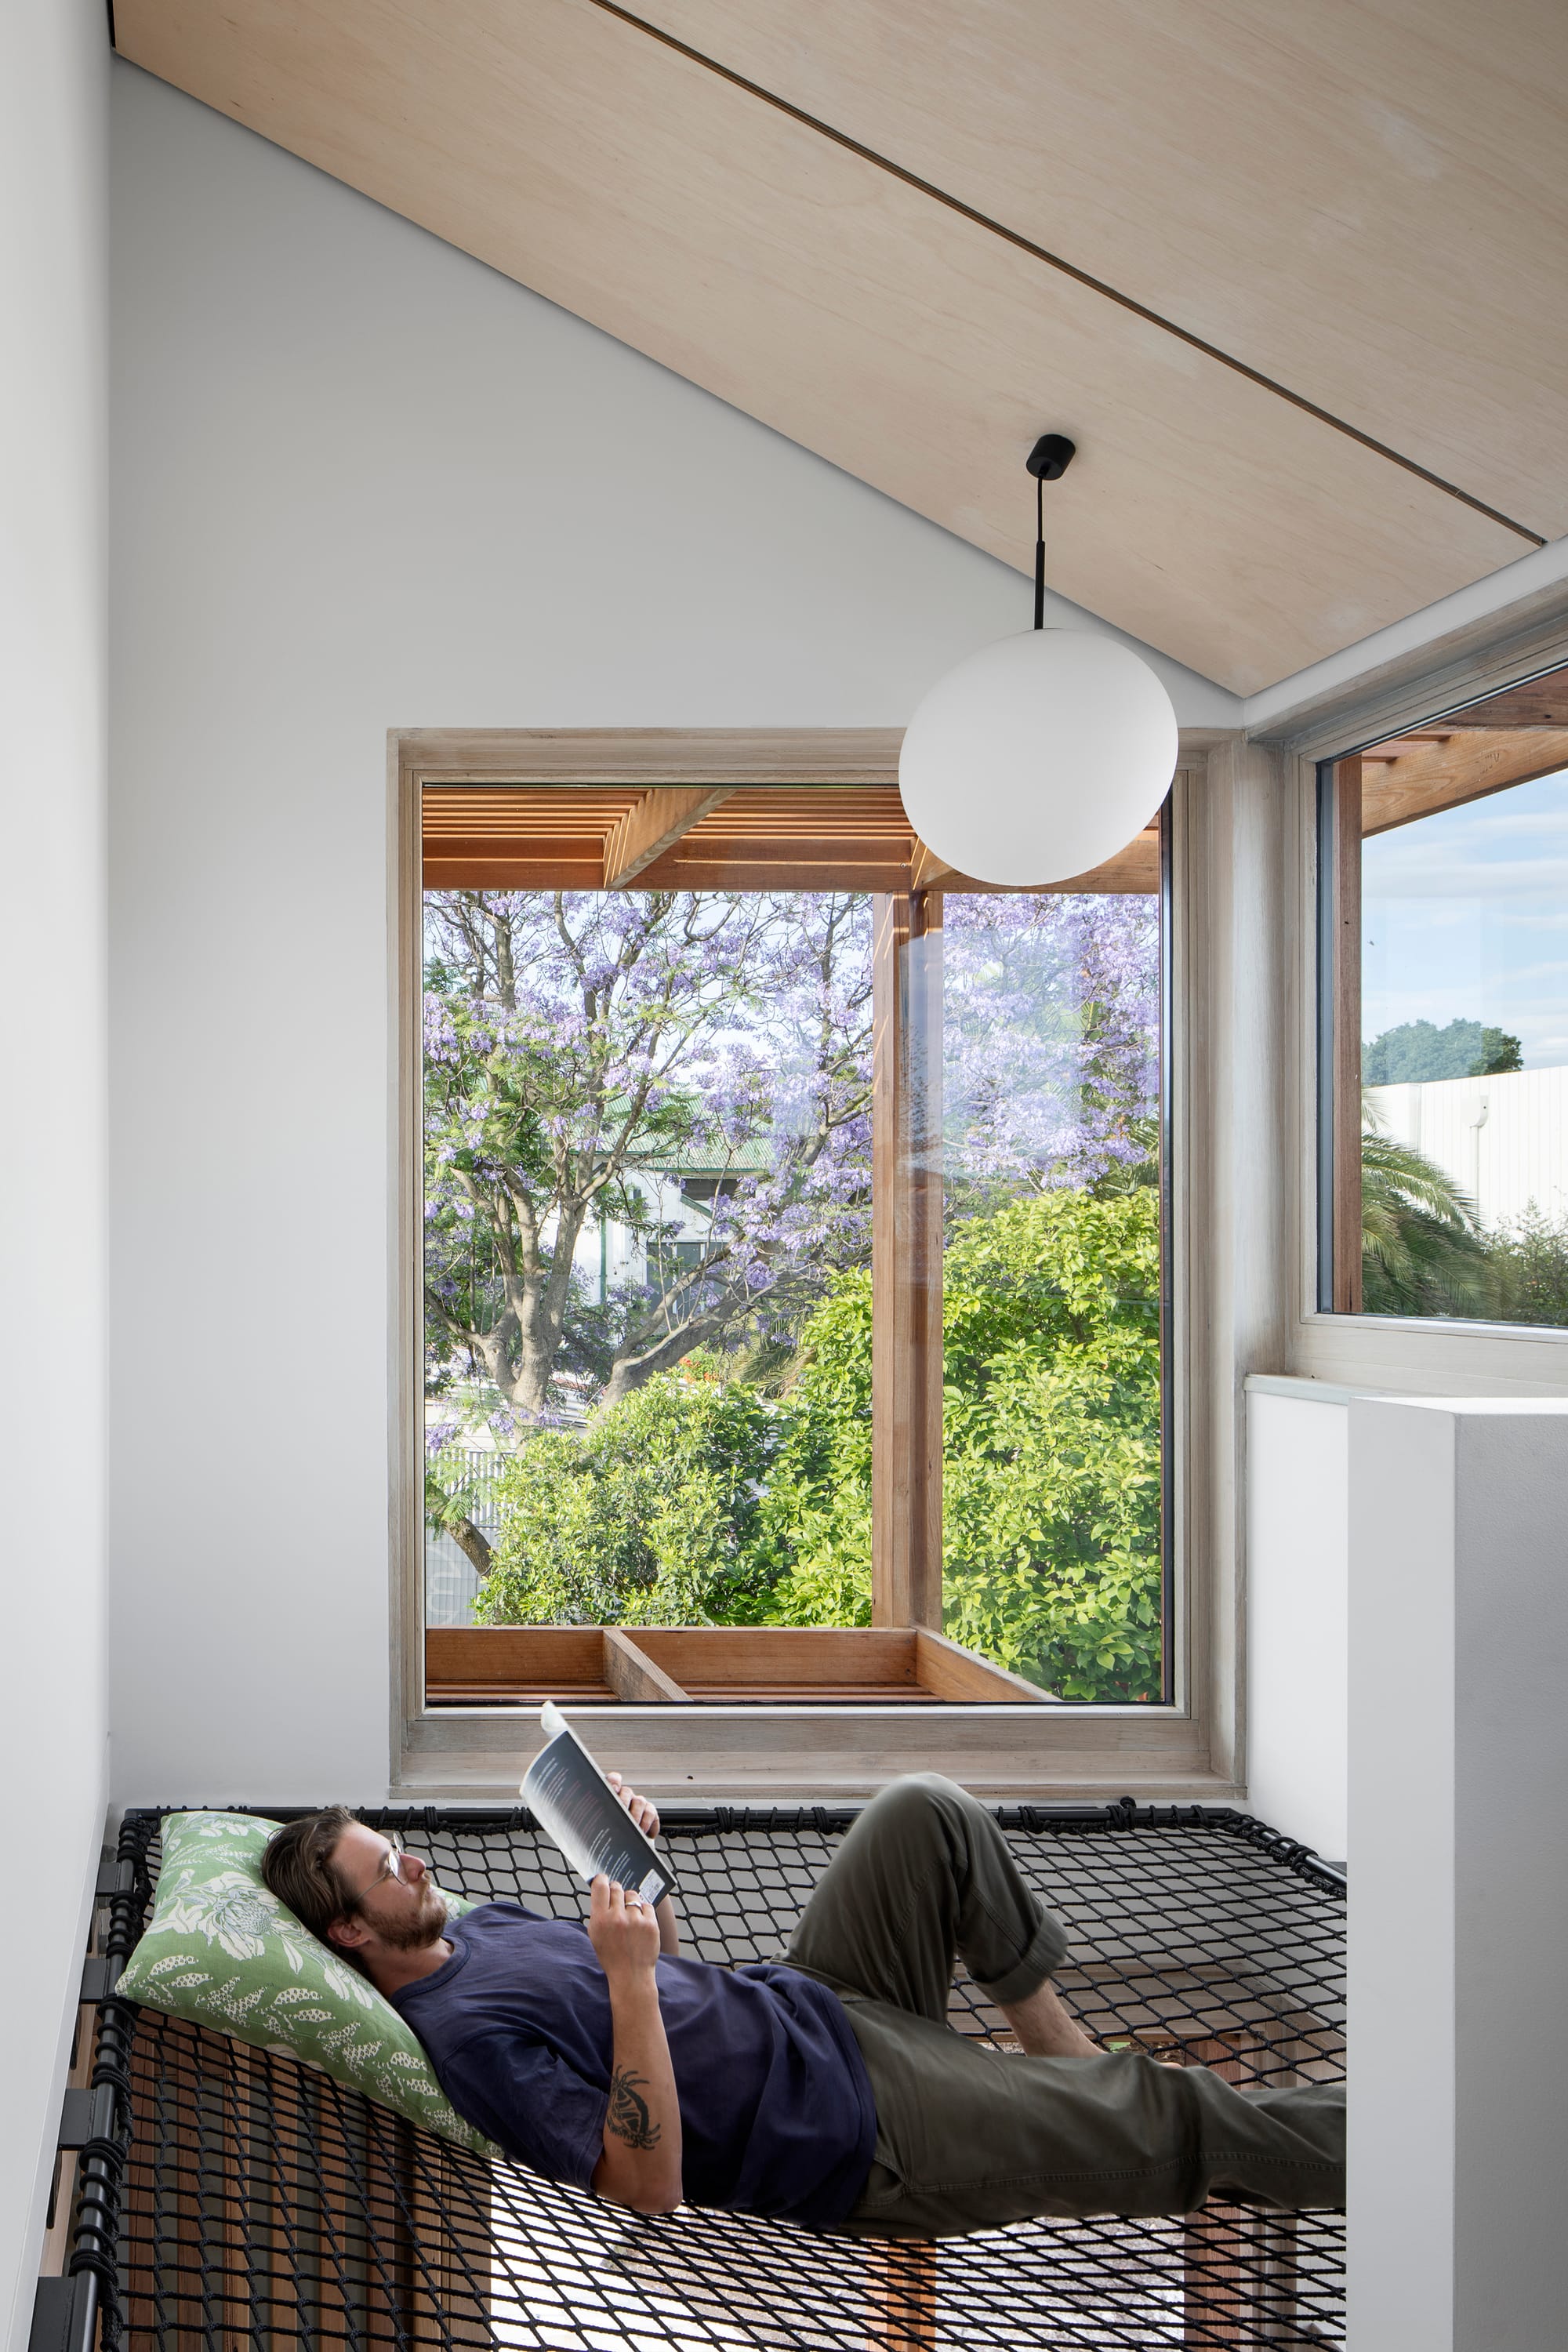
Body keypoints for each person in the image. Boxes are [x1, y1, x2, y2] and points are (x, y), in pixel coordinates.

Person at [260, 1773, 1344, 2240]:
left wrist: (646, 1895)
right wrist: (629, 1976)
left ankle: (1058, 2054)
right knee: (1173, 2113)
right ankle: (1414, 2154)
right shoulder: (465, 2041)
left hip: (816, 2002)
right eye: (383, 1869)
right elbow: (646, 2188)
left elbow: (668, 1988)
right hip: (860, 2126)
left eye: (391, 1844)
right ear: (350, 1932)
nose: (410, 1859)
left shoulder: (479, 1924)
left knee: (925, 1814)